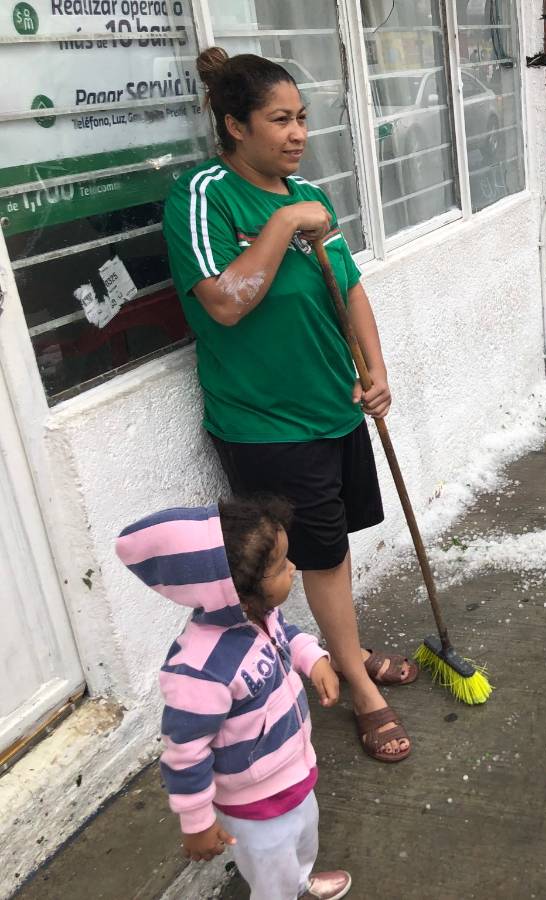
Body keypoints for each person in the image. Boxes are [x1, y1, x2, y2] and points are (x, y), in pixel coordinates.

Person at [161, 47, 413, 762]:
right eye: (280, 119)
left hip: (334, 403)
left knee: (334, 546)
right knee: (318, 552)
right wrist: (280, 224)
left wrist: (374, 366)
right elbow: (224, 304)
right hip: (268, 420)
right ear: (235, 125)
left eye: (302, 117)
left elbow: (349, 287)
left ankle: (350, 650)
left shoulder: (309, 196)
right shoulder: (203, 195)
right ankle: (362, 690)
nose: (298, 133)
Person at [115, 497, 351, 900]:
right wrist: (197, 823)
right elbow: (185, 754)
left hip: (295, 771)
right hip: (253, 804)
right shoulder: (199, 670)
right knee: (270, 876)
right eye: (280, 568)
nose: (292, 569)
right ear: (235, 593)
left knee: (303, 840)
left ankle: (300, 880)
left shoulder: (259, 616)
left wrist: (314, 659)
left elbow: (285, 634)